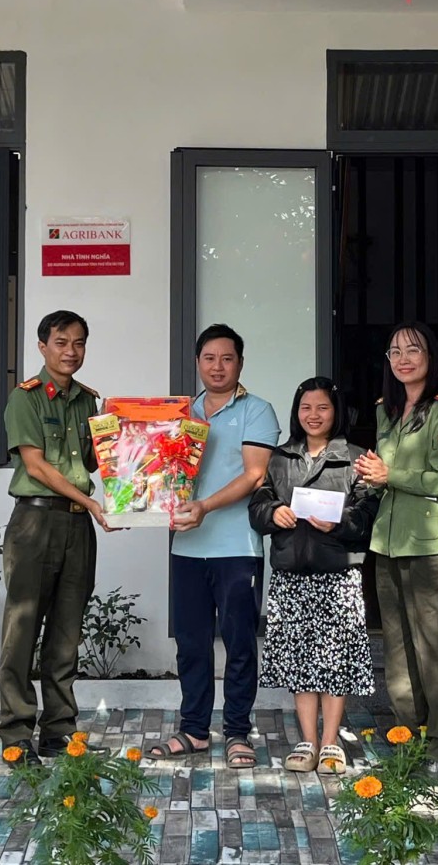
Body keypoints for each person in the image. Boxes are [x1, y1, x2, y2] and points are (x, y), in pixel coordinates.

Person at [148, 324, 279, 768]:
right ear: (197, 362)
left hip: (237, 547)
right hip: (187, 547)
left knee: (240, 643)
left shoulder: (257, 410)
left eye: (227, 358)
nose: (217, 366)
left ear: (240, 363)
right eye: (209, 358)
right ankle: (194, 730)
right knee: (191, 644)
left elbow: (254, 475)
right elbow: (156, 469)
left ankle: (238, 732)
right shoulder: (179, 414)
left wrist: (204, 505)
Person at [354, 321, 438, 778]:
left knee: (434, 649)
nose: (403, 359)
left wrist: (391, 475)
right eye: (395, 351)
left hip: (432, 546)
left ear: (430, 356)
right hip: (389, 542)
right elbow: (385, 478)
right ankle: (410, 739)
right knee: (398, 650)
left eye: (413, 349)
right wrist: (370, 477)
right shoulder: (388, 410)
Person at [0, 310, 111, 763]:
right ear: (42, 346)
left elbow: (94, 462)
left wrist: (115, 431)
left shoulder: (87, 401)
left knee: (67, 632)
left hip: (76, 525)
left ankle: (59, 730)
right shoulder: (24, 398)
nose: (71, 351)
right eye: (61, 342)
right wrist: (91, 502)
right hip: (36, 522)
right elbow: (37, 465)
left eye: (79, 343)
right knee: (22, 631)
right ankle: (15, 733)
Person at [248, 377, 378, 776]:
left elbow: (368, 513)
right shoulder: (280, 458)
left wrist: (339, 522)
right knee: (300, 661)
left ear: (336, 412)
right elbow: (257, 505)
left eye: (322, 407)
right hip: (292, 574)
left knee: (336, 661)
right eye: (306, 408)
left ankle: (331, 742)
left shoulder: (356, 458)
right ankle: (307, 740)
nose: (314, 415)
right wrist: (273, 512)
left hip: (338, 574)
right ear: (296, 412)